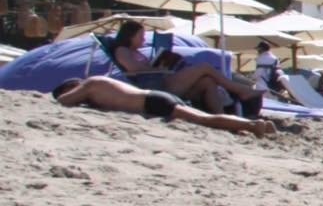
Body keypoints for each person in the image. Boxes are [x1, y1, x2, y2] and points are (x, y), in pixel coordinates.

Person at [107, 20, 266, 117]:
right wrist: (156, 67)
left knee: (207, 82)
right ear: (130, 36)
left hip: (159, 79)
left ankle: (220, 117)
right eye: (140, 37)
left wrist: (160, 64)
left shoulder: (133, 51)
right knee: (204, 67)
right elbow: (134, 69)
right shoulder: (122, 51)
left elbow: (142, 67)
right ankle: (240, 90)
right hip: (153, 85)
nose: (142, 40)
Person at [52, 75, 275, 136]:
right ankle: (248, 125)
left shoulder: (91, 84)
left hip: (152, 103)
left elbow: (63, 101)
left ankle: (253, 125)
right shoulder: (101, 84)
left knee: (203, 120)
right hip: (154, 97)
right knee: (201, 117)